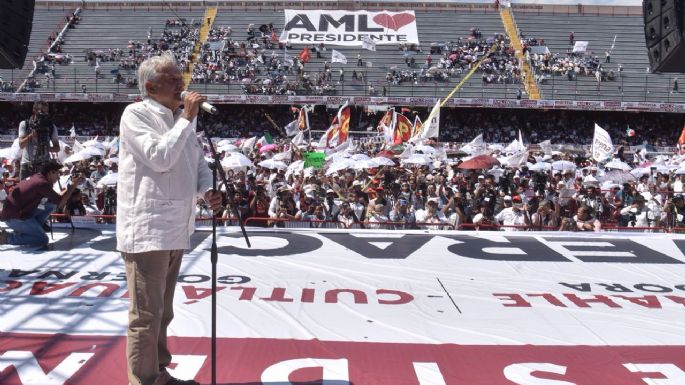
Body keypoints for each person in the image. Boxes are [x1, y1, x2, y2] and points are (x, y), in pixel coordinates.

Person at [116, 54, 222, 385]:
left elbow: (199, 166)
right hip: (147, 230)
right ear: (151, 86)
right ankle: (143, 381)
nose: (182, 83)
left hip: (177, 229)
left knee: (163, 312)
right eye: (174, 79)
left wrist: (207, 192)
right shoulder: (136, 114)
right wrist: (186, 117)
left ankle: (158, 374)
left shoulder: (181, 119)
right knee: (145, 316)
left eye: (181, 77)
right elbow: (160, 158)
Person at [0, 160, 82, 247]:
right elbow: (61, 203)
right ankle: (7, 238)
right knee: (42, 239)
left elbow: (56, 200)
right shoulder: (42, 183)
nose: (58, 177)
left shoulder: (38, 177)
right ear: (51, 173)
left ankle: (27, 230)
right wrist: (73, 186)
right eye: (57, 174)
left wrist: (69, 187)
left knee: (50, 205)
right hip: (14, 218)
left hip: (17, 214)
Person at [18, 101, 60, 180]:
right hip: (27, 164)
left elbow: (57, 148)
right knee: (25, 191)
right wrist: (30, 136)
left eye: (46, 111)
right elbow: (21, 145)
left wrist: (46, 147)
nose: (44, 114)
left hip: (44, 165)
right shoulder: (25, 124)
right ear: (34, 110)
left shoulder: (51, 126)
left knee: (44, 191)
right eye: (42, 111)